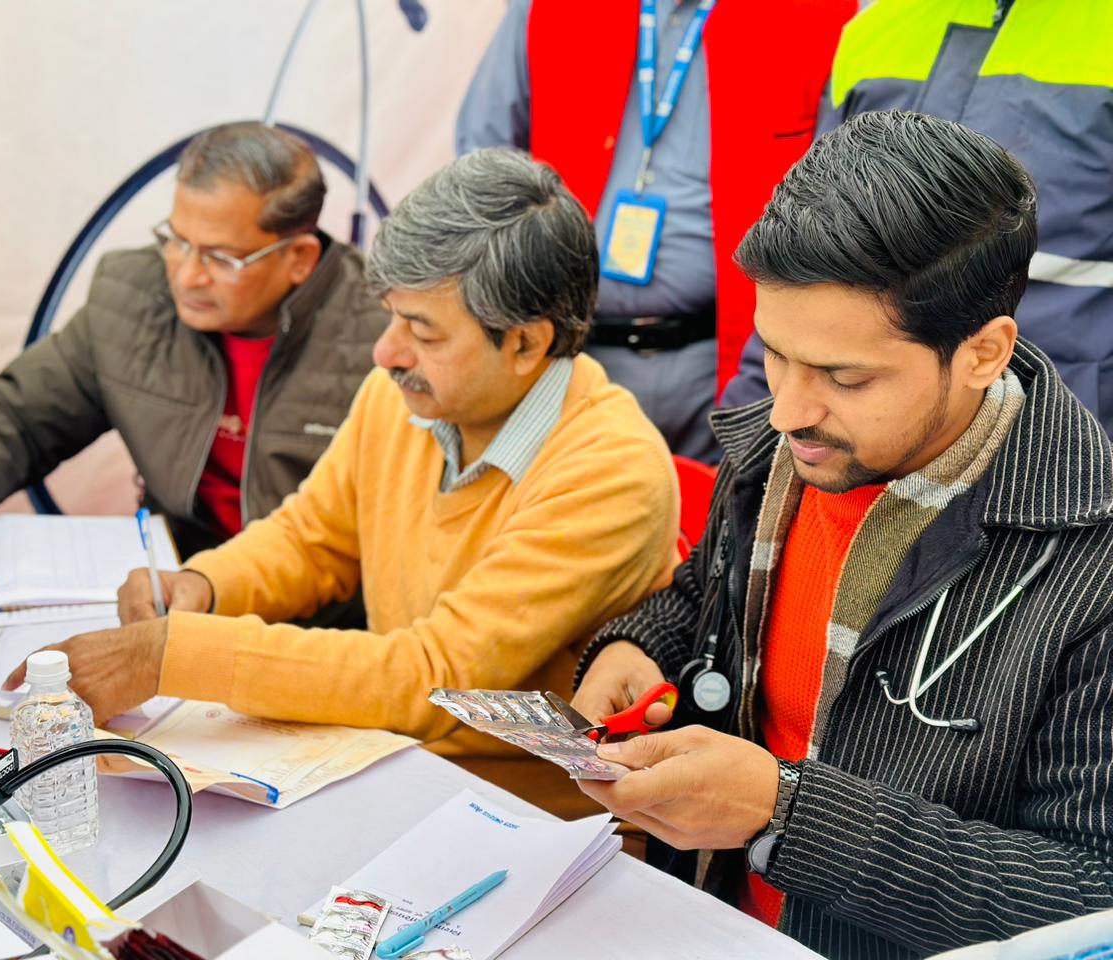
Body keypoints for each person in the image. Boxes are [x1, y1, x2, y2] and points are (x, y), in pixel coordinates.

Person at [571, 112, 1113, 958]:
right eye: (773, 353)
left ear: (983, 352)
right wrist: (640, 645)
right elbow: (707, 598)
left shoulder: (1091, 565)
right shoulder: (774, 457)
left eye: (845, 376)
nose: (788, 409)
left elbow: (1087, 904)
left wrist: (782, 811)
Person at [5, 148, 680, 818]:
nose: (386, 352)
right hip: (394, 768)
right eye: (391, 317)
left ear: (528, 345)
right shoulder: (407, 398)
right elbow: (313, 539)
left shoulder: (610, 472)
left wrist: (169, 654)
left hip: (532, 823)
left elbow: (432, 677)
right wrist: (207, 585)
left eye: (421, 331)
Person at [0, 122, 386, 564]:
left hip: (324, 619)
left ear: (298, 258)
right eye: (178, 240)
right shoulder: (134, 297)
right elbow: (19, 416)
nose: (188, 276)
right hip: (176, 584)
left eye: (222, 258)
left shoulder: (383, 339)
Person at [456, 0, 856, 459]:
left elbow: (841, 196)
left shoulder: (823, 14)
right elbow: (483, 164)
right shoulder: (544, 9)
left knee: (715, 523)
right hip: (566, 359)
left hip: (732, 370)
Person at [723, 0, 1113, 438]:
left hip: (1067, 425)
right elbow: (807, 251)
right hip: (870, 427)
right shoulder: (876, 28)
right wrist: (752, 428)